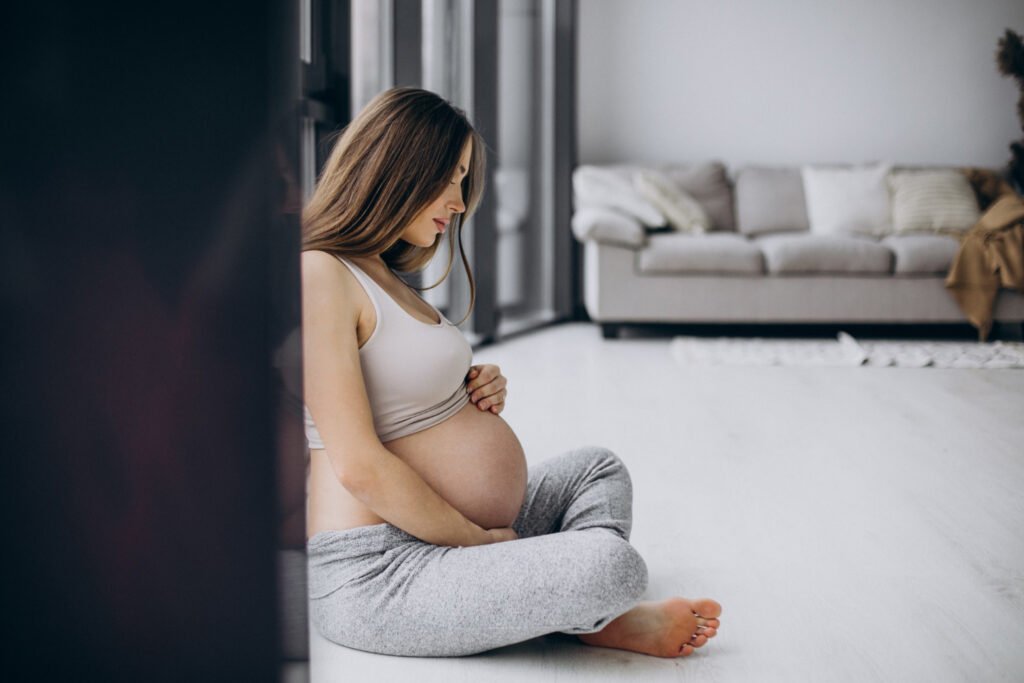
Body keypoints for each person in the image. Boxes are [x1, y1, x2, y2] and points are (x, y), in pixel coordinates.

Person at [301, 86, 722, 658]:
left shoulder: (383, 274)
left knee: (597, 469)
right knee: (612, 567)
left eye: (462, 180)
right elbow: (358, 467)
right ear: (395, 169)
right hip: (381, 570)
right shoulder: (320, 273)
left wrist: (467, 390)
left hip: (451, 531)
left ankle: (565, 609)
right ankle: (587, 613)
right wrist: (478, 544)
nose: (458, 201)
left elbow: (404, 397)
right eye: (447, 177)